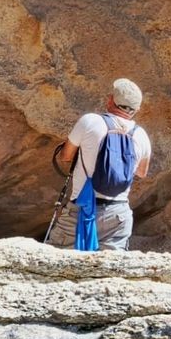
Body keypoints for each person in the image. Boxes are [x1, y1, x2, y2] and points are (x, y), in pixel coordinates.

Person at [49, 79, 151, 251]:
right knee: (109, 270)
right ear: (137, 110)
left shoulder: (90, 121)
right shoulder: (142, 136)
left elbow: (65, 157)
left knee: (53, 263)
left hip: (81, 209)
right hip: (117, 215)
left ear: (110, 100)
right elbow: (141, 172)